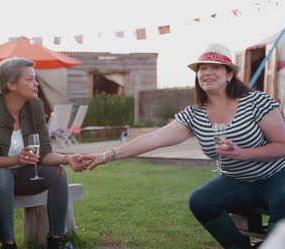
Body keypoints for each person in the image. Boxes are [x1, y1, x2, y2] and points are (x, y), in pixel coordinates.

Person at [82, 44, 285, 249]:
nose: (207, 73)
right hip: (236, 181)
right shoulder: (194, 114)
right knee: (200, 201)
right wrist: (107, 155)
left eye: (215, 67)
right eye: (202, 68)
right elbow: (153, 138)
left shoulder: (256, 102)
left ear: (229, 74)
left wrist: (244, 153)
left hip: (276, 176)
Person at [0, 57, 87, 249]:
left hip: (27, 177)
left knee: (57, 172)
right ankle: (8, 243)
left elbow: (45, 153)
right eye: (29, 79)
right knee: (2, 175)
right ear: (11, 84)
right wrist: (15, 159)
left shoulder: (35, 106)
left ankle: (55, 240)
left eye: (35, 79)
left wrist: (68, 159)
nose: (36, 84)